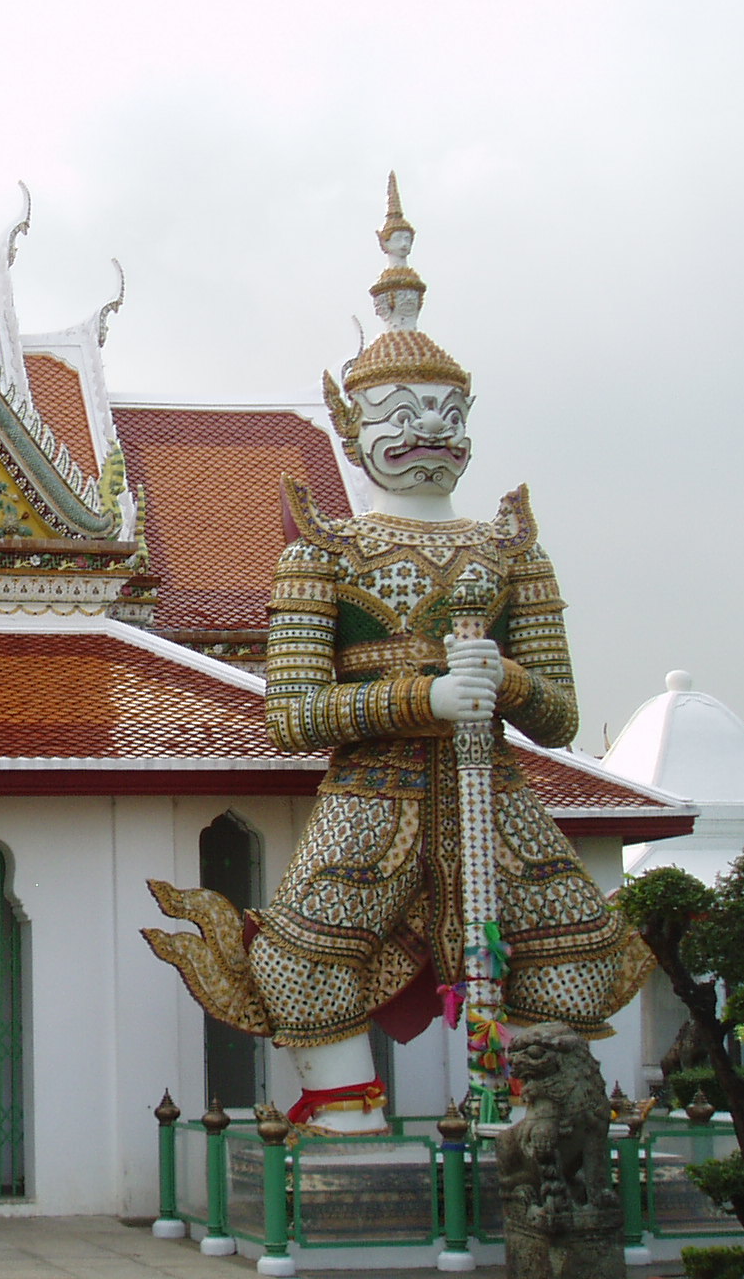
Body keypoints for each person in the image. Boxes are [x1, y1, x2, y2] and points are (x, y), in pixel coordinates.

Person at [146, 178, 649, 1131]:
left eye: (445, 413)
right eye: (400, 414)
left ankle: (532, 1121)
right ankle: (345, 1114)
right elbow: (292, 716)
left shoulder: (510, 548)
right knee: (299, 973)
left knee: (572, 966)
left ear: (469, 421)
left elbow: (562, 715)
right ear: (353, 428)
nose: (427, 431)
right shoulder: (321, 552)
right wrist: (421, 698)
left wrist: (502, 680)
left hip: (488, 793)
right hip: (371, 798)